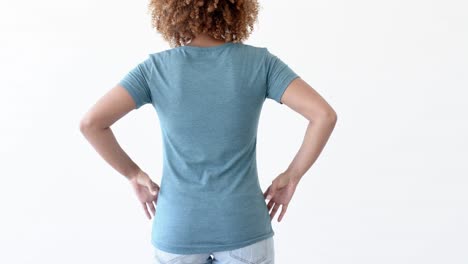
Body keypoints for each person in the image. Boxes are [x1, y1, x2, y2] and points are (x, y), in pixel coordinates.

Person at [79, 0, 337, 263]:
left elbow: (91, 124)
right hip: (243, 225)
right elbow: (323, 115)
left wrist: (133, 174)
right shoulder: (260, 63)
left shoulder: (155, 69)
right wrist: (292, 176)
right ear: (238, 7)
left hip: (178, 228)